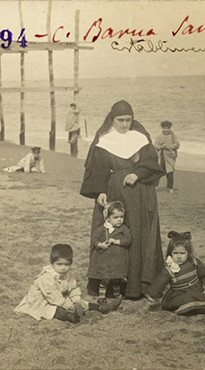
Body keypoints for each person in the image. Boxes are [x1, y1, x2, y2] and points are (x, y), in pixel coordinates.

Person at [80, 100, 164, 300]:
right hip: (115, 190)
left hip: (140, 192)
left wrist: (138, 174)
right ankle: (109, 283)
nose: (124, 124)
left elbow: (151, 162)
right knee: (114, 230)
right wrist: (100, 191)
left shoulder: (140, 137)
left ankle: (138, 285)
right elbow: (98, 168)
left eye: (128, 120)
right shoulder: (104, 139)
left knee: (138, 231)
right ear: (112, 119)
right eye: (120, 120)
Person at [14, 244, 121, 323]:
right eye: (59, 264)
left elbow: (73, 289)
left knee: (82, 303)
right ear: (52, 263)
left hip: (60, 298)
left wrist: (77, 301)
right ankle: (71, 317)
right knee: (55, 310)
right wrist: (71, 306)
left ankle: (103, 308)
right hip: (41, 302)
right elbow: (54, 298)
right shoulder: (46, 278)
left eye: (66, 264)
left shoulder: (67, 274)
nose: (63, 267)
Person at [145, 231, 205, 317]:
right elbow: (159, 284)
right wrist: (152, 296)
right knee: (187, 300)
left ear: (188, 253)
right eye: (175, 253)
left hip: (196, 290)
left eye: (182, 253)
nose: (179, 257)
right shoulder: (170, 269)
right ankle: (200, 310)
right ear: (170, 253)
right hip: (179, 294)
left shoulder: (194, 262)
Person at [88, 201, 131, 303]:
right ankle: (102, 296)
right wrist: (101, 245)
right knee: (105, 279)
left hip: (118, 260)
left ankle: (116, 295)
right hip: (105, 260)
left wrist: (116, 241)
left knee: (117, 279)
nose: (119, 220)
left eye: (121, 217)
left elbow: (128, 240)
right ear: (108, 218)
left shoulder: (123, 229)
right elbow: (94, 240)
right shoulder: (102, 229)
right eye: (115, 217)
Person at [154, 120, 180, 193]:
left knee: (170, 172)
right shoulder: (159, 136)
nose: (166, 130)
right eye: (164, 128)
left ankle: (170, 188)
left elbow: (177, 144)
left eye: (167, 128)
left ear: (170, 128)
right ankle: (154, 186)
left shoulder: (173, 136)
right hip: (161, 156)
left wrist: (170, 146)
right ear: (162, 128)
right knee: (159, 172)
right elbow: (155, 145)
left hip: (170, 156)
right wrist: (161, 147)